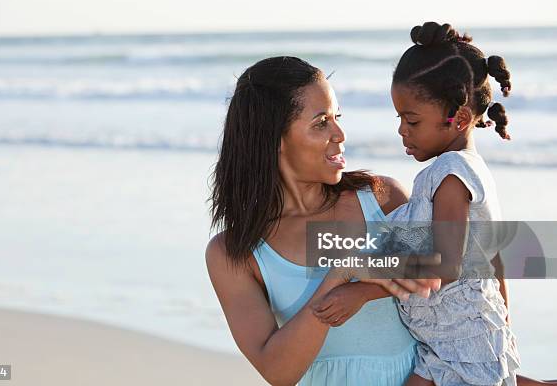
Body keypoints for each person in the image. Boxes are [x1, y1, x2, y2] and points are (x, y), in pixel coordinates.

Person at [312, 22, 557, 386]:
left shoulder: (452, 175)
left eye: (412, 120)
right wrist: (501, 316)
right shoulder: (460, 170)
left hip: (460, 340)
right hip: (444, 340)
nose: (401, 130)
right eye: (400, 118)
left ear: (457, 119)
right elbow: (492, 253)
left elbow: (445, 266)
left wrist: (364, 291)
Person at [206, 56, 439, 385]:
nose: (340, 134)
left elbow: (462, 273)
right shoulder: (234, 252)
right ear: (274, 139)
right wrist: (340, 275)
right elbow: (278, 371)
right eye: (321, 123)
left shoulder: (382, 199)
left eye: (337, 117)